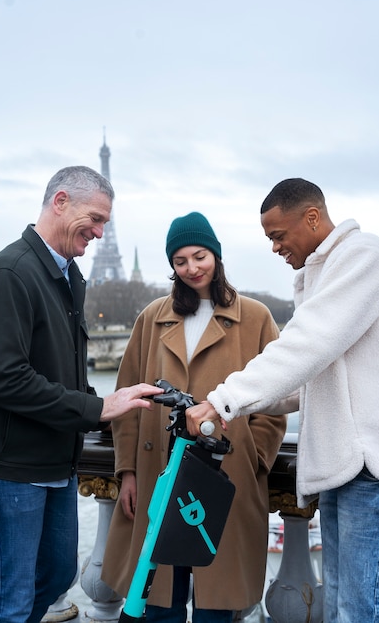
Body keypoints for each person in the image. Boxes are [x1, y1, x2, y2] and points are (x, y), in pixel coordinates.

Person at [186, 179, 379, 623]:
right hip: (349, 466)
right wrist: (237, 406)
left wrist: (225, 399)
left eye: (277, 235)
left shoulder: (364, 256)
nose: (274, 248)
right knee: (346, 607)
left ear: (312, 217)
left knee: (360, 612)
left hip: (370, 465)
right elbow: (306, 379)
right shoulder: (324, 273)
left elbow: (307, 344)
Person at [0, 166, 163, 623]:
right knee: (10, 597)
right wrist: (97, 406)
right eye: (96, 218)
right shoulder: (9, 273)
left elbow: (64, 370)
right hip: (13, 470)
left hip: (58, 463)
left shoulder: (68, 276)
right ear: (60, 201)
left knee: (57, 572)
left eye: (107, 222)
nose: (102, 233)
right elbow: (4, 379)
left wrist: (110, 404)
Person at [101, 212, 287, 622]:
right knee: (159, 601)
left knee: (214, 606)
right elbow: (126, 400)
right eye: (180, 260)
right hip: (159, 476)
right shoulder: (151, 317)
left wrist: (255, 459)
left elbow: (276, 401)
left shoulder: (256, 318)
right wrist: (127, 470)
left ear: (216, 255)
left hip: (225, 475)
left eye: (199, 256)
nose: (191, 268)